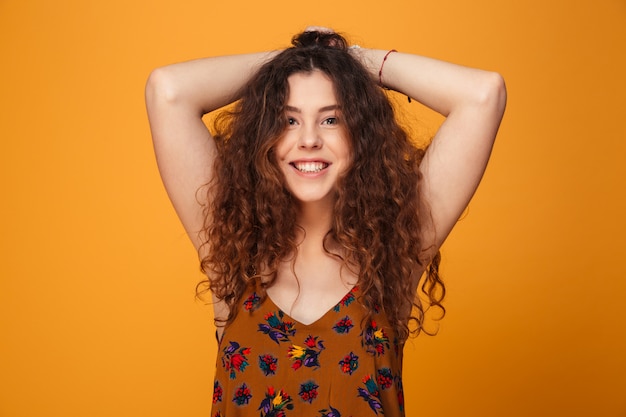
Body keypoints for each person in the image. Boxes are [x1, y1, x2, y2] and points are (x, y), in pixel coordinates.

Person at [145, 28, 506, 417]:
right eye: (288, 120)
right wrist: (287, 64)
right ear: (263, 134)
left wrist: (350, 60)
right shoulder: (233, 252)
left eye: (331, 119)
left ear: (361, 134)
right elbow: (167, 91)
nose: (310, 139)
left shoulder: (392, 253)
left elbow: (483, 95)